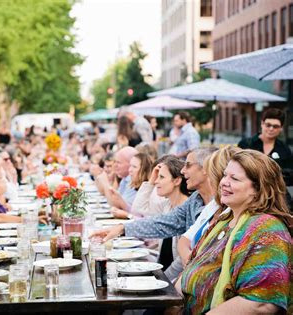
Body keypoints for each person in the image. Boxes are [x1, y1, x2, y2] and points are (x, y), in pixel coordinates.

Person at [177, 150, 292, 314]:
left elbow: (261, 303)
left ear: (258, 189)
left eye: (234, 179)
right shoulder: (224, 219)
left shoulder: (267, 231)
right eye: (225, 176)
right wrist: (172, 303)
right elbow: (193, 265)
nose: (224, 182)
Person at [91, 148, 217, 280]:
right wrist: (122, 228)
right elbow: (163, 222)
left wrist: (165, 282)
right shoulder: (196, 199)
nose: (183, 170)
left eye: (188, 165)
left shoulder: (219, 205)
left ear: (205, 168)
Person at [238, 108, 292, 182]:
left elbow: (290, 176)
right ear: (262, 124)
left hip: (275, 191)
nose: (271, 129)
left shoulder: (285, 149)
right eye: (268, 125)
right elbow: (236, 169)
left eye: (275, 126)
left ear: (281, 128)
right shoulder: (245, 144)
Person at [90, 146, 138, 211]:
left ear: (130, 164)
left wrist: (105, 183)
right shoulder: (125, 179)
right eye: (115, 162)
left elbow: (116, 206)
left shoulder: (134, 180)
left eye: (119, 162)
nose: (115, 166)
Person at [110, 152, 153, 218]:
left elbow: (147, 221)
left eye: (134, 167)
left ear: (144, 171)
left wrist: (127, 215)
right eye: (130, 166)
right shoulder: (136, 185)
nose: (130, 170)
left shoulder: (150, 191)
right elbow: (134, 212)